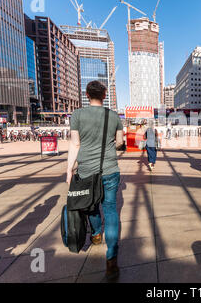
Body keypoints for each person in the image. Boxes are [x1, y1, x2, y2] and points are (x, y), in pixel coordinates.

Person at [66, 80, 124, 281]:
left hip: (86, 172)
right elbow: (120, 142)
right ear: (105, 95)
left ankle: (96, 234)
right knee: (110, 209)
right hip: (110, 170)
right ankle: (112, 260)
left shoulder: (77, 115)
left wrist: (68, 170)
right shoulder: (114, 116)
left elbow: (75, 144)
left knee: (91, 207)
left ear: (87, 95)